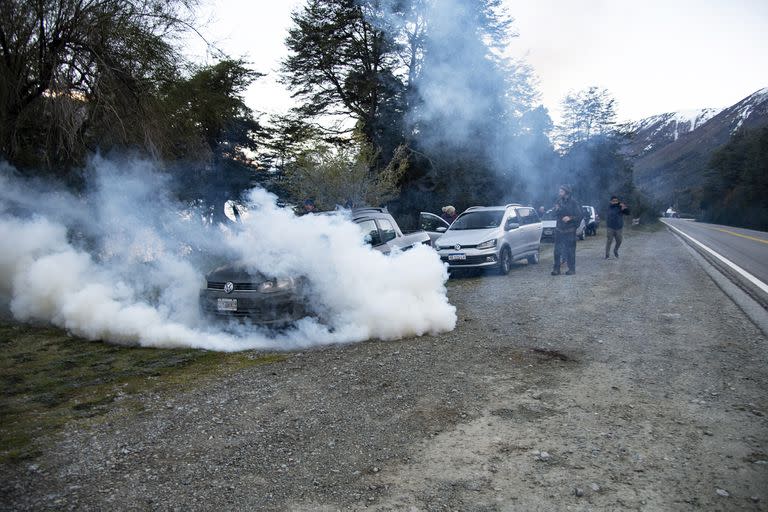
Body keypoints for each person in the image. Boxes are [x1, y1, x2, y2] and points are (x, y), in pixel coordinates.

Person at [551, 185, 581, 276]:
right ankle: (556, 269)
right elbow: (553, 214)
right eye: (559, 191)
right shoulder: (558, 202)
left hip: (570, 231)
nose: (559, 193)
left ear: (566, 192)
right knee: (557, 251)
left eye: (561, 191)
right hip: (559, 230)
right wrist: (555, 210)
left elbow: (579, 216)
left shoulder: (574, 203)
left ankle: (571, 269)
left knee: (570, 251)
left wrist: (570, 218)